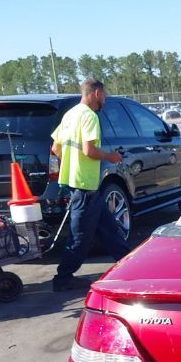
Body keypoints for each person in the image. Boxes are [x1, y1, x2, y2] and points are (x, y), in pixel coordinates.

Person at [50, 78, 129, 291]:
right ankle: (63, 278)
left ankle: (131, 267)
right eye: (104, 95)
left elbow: (56, 148)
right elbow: (89, 151)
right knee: (80, 236)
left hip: (79, 183)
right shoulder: (89, 116)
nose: (104, 99)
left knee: (109, 229)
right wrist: (110, 157)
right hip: (84, 184)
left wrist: (69, 165)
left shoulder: (70, 115)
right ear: (96, 93)